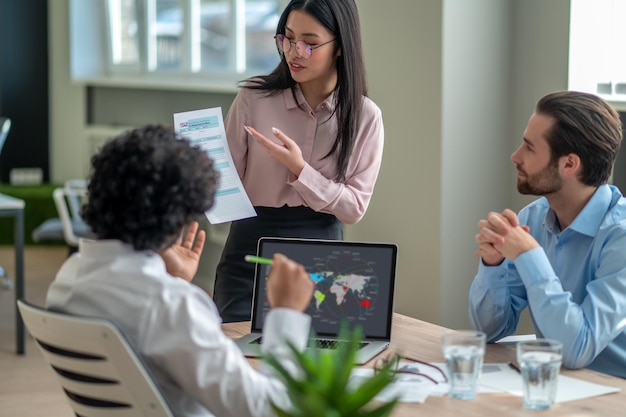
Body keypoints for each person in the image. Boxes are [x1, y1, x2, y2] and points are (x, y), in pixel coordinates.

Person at [46, 125, 316, 417]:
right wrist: (286, 313)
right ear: (177, 219)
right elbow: (272, 410)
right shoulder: (169, 306)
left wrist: (172, 282)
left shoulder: (68, 278)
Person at [213, 0, 384, 323]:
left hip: (322, 254)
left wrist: (300, 170)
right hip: (250, 243)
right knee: (239, 354)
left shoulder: (365, 116)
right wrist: (197, 168)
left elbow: (354, 208)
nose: (294, 51)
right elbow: (223, 185)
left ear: (340, 47)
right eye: (288, 39)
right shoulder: (253, 97)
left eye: (310, 43)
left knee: (312, 364)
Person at [469, 91, 626, 378]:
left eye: (529, 147)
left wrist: (530, 257)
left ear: (569, 164)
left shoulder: (621, 236)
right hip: (559, 385)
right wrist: (494, 265)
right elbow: (488, 330)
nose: (515, 156)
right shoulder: (534, 217)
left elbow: (577, 348)